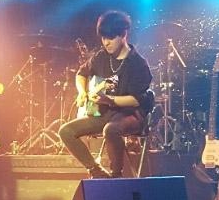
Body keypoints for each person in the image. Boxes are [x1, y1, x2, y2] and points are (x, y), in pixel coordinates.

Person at [59, 10, 153, 178]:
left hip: (131, 115)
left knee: (111, 130)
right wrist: (82, 92)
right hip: (104, 115)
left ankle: (116, 176)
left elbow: (135, 100)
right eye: (103, 38)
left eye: (110, 38)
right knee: (65, 131)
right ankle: (96, 171)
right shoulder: (101, 56)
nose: (106, 42)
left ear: (123, 34)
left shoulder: (138, 64)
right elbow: (81, 74)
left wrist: (109, 100)